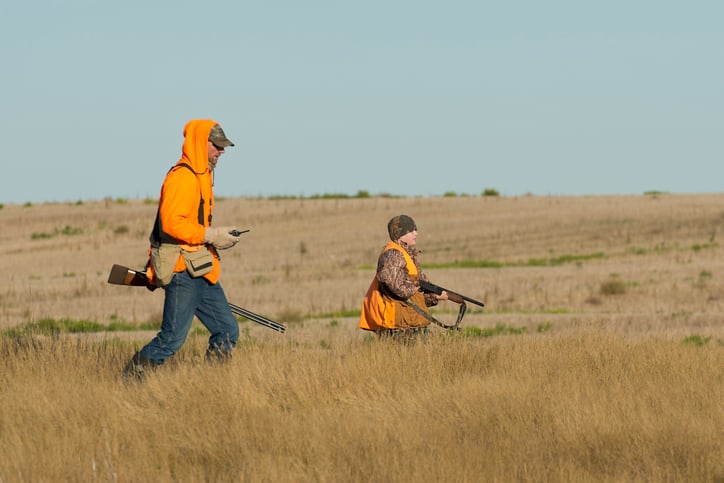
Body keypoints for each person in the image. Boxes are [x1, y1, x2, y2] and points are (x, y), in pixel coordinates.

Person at [124, 119, 243, 379]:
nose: (221, 151)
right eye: (217, 146)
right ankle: (128, 382)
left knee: (227, 330)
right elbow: (172, 223)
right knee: (171, 340)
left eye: (223, 147)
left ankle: (211, 386)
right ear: (201, 144)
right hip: (182, 270)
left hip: (199, 266)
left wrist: (218, 236)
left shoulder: (202, 175)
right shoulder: (183, 177)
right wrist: (211, 235)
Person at [359, 214, 448, 336]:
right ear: (400, 235)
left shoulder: (407, 255)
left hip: (410, 320)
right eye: (411, 231)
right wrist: (415, 287)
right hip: (397, 324)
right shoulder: (393, 255)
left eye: (415, 230)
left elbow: (416, 294)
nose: (416, 233)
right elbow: (396, 286)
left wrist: (434, 296)